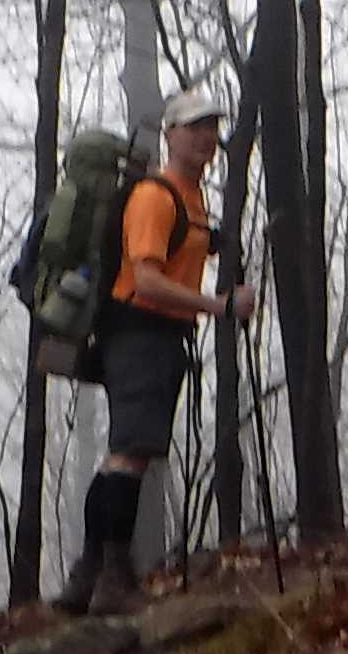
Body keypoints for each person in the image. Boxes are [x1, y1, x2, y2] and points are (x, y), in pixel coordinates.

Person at [75, 84, 254, 614]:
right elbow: (148, 281)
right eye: (194, 126)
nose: (205, 136)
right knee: (129, 455)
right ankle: (112, 581)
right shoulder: (156, 196)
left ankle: (87, 579)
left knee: (124, 454)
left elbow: (178, 250)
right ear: (170, 135)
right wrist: (217, 305)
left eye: (211, 127)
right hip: (140, 330)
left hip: (155, 336)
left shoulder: (190, 199)